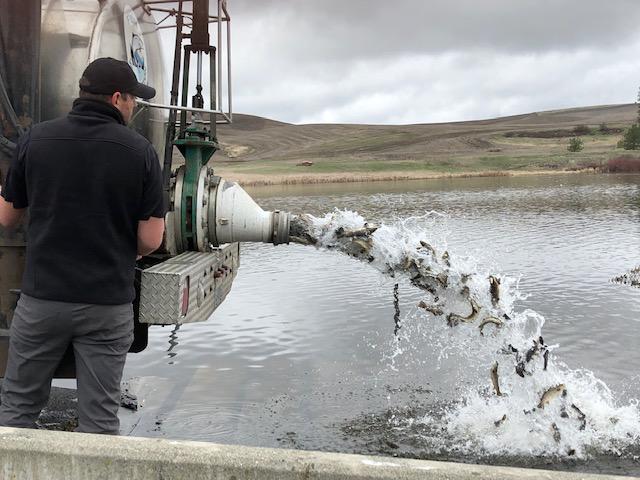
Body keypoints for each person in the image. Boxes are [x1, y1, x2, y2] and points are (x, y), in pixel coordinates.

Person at [0, 57, 165, 434]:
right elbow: (151, 240)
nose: (135, 106)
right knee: (99, 420)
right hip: (106, 307)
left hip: (42, 302)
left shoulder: (35, 139)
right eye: (133, 99)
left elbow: (8, 218)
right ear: (117, 97)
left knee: (18, 410)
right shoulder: (140, 152)